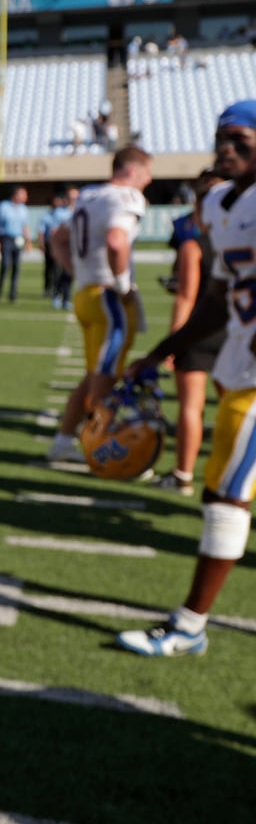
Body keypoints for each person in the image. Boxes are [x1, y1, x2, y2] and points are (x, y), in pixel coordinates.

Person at [116, 103, 255, 655]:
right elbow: (217, 302)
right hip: (238, 369)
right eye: (221, 138)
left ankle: (189, 626)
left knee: (224, 496)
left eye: (240, 140)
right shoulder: (220, 205)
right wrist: (159, 354)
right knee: (227, 492)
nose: (226, 149)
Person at [46, 147, 154, 464]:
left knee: (95, 374)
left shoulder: (91, 195)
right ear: (133, 171)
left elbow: (57, 239)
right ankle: (100, 450)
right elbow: (116, 241)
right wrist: (123, 286)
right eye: (147, 174)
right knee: (104, 383)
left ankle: (64, 441)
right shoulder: (127, 197)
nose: (149, 181)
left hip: (84, 294)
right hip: (108, 298)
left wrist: (76, 270)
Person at [154, 169, 228, 495]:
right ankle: (232, 473)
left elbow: (185, 297)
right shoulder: (244, 240)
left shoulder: (193, 246)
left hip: (199, 333)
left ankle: (183, 475)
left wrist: (172, 342)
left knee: (190, 407)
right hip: (234, 332)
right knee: (234, 408)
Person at [0, 185, 31, 302]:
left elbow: (25, 226)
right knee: (5, 264)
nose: (25, 197)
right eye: (22, 194)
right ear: (15, 195)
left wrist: (28, 241)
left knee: (16, 267)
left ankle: (13, 293)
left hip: (18, 239)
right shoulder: (4, 206)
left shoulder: (23, 209)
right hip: (6, 238)